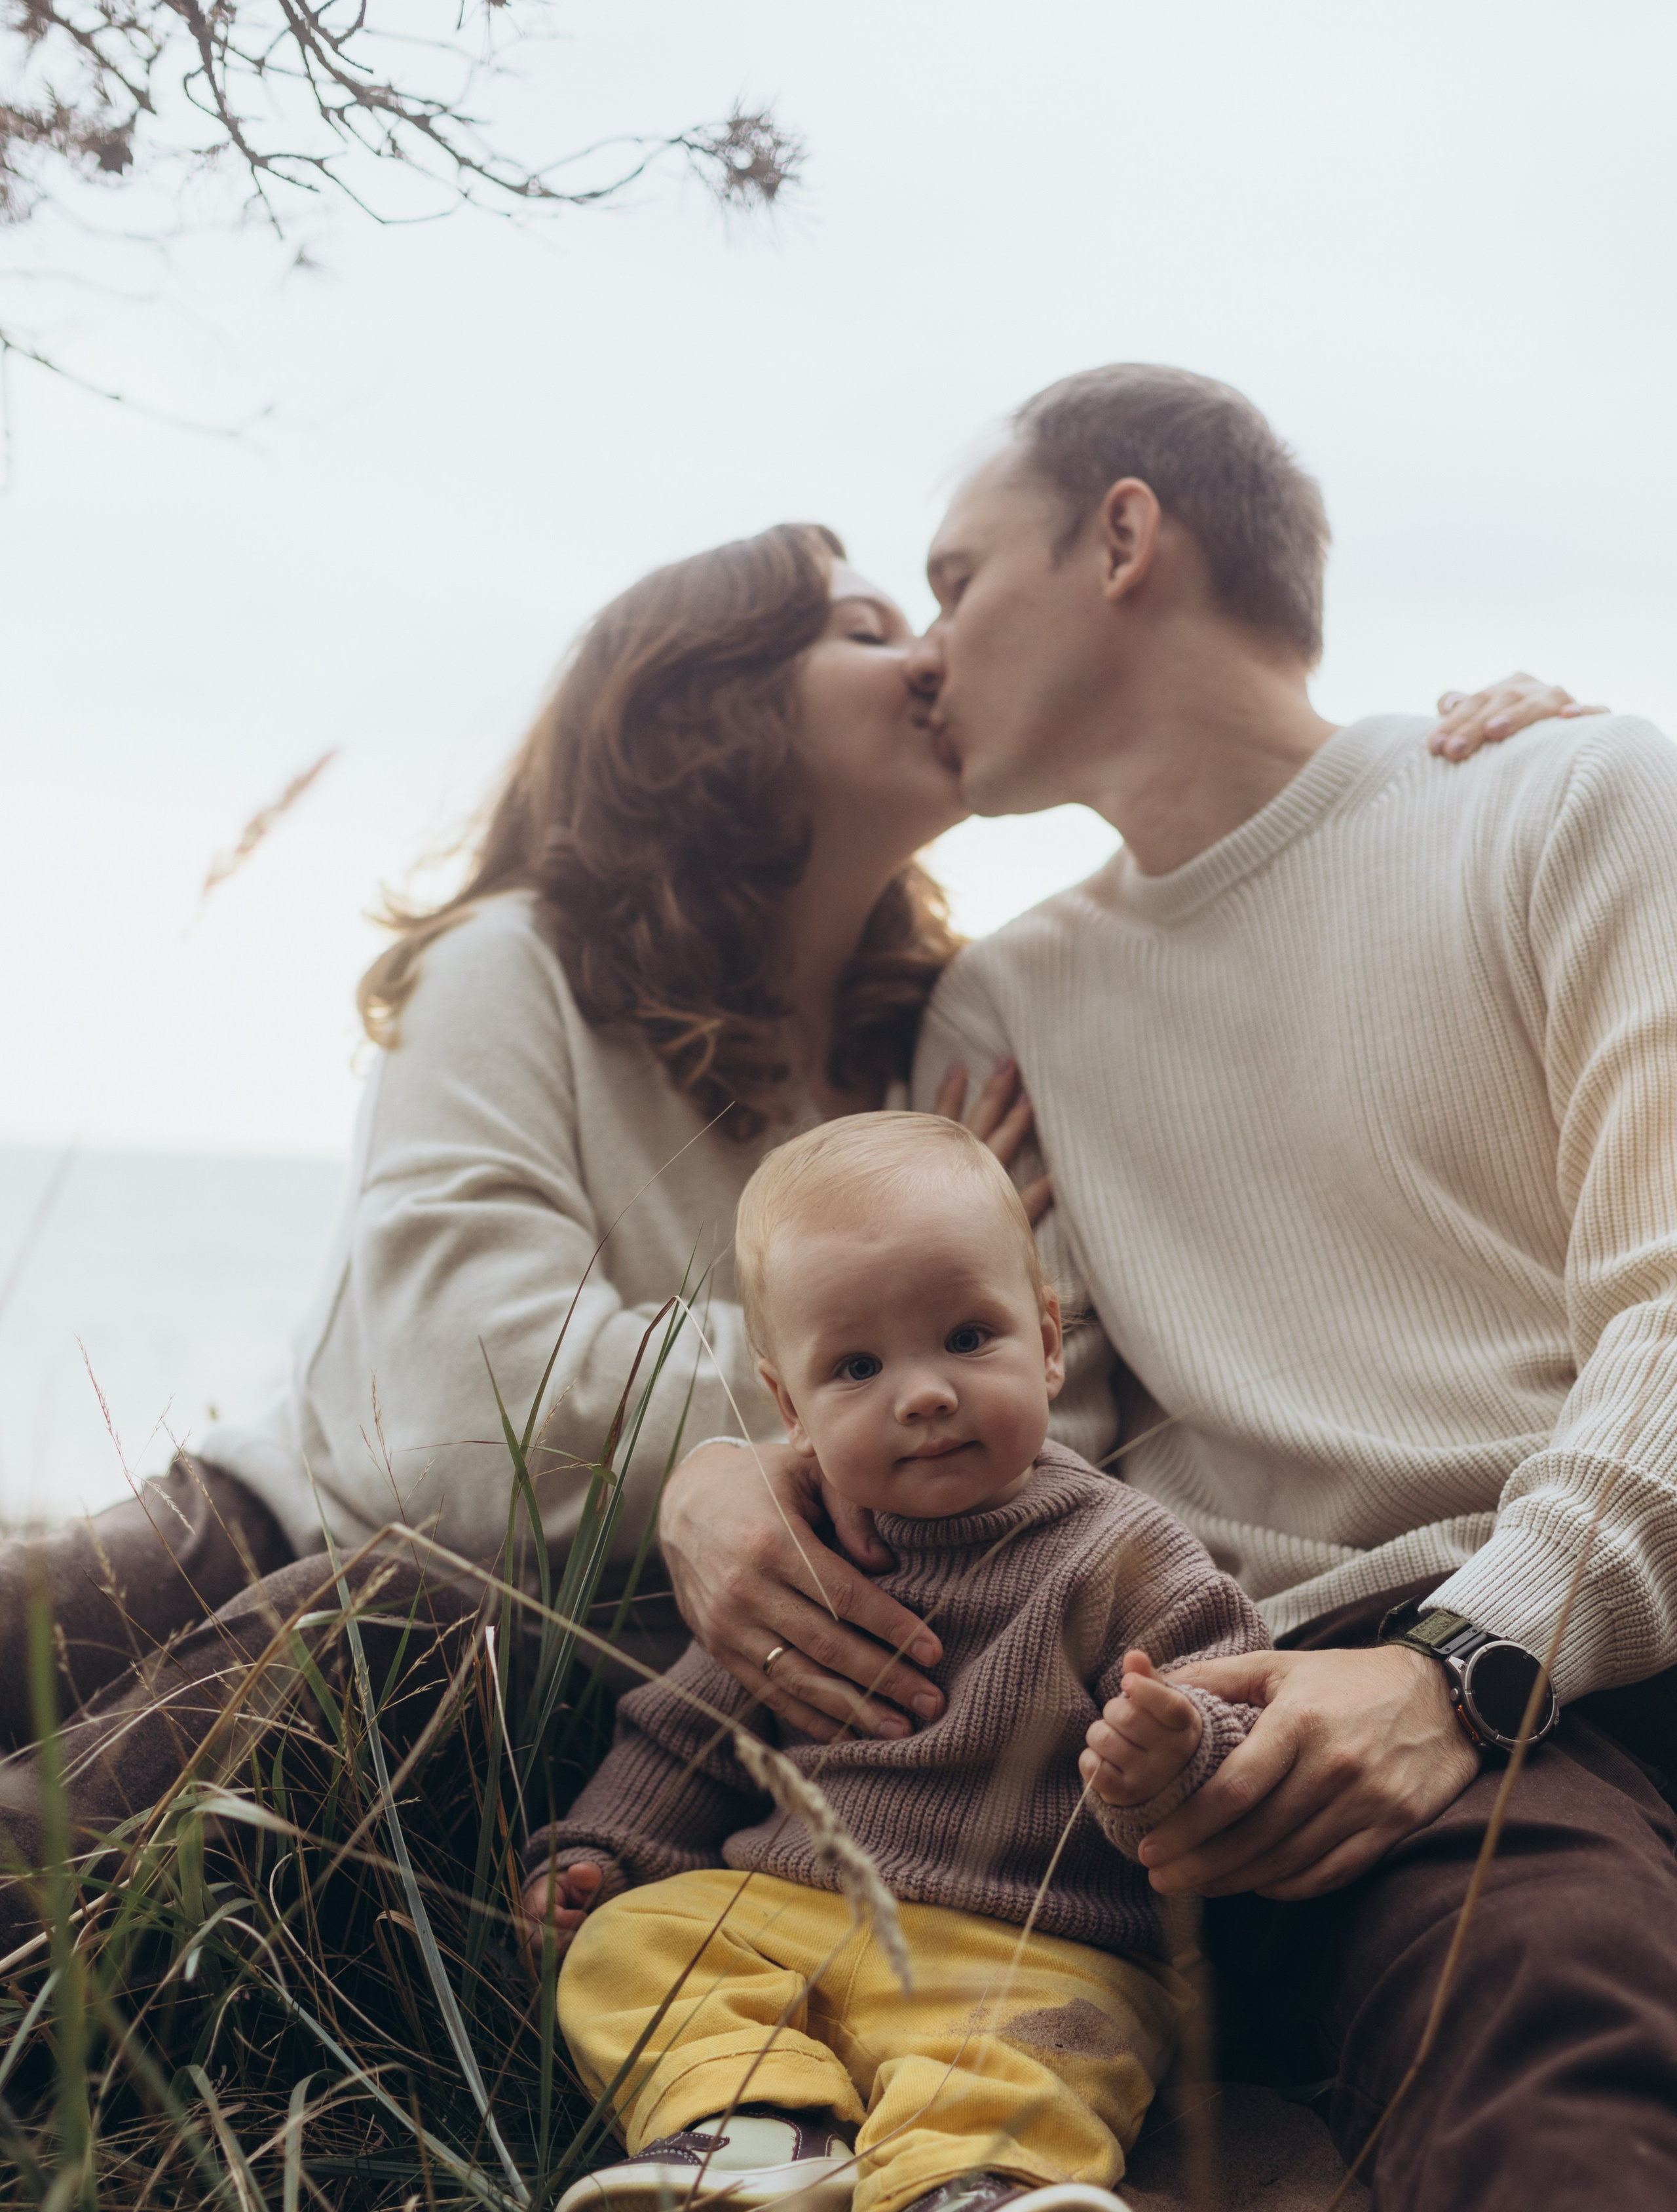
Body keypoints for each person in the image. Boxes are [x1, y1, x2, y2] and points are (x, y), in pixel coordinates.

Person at [0, 503, 1558, 1935]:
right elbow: (454, 1403)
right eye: (868, 628)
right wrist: (735, 1454)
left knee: (328, 1668)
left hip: (566, 1671)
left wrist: (1463, 767)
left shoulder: (943, 1059)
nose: (933, 656)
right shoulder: (519, 966)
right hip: (270, 1532)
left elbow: (1053, 1403)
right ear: (714, 703)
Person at [655, 366, 1677, 2212]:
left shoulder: (1570, 801)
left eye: (956, 580)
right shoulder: (1007, 1014)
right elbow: (1045, 1466)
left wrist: (1464, 1669)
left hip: (1528, 1660)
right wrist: (744, 1468)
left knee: (1543, 2004)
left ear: (1125, 539)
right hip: (1219, 1738)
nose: (927, 651)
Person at [523, 1110, 1267, 2212]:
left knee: (1050, 2046)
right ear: (790, 1405)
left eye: (969, 1338)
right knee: (628, 1945)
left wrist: (1174, 1749)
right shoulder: (797, 1553)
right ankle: (756, 2134)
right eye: (857, 1367)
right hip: (793, 1909)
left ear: (1047, 1341)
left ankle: (963, 2205)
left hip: (1031, 1940)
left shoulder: (1120, 1547)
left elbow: (1230, 1702)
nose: (924, 1393)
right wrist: (603, 1852)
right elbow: (685, 1736)